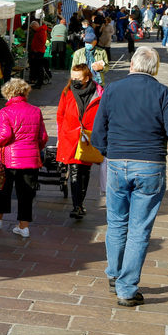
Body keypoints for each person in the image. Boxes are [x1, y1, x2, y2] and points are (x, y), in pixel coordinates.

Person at [92, 47, 168, 307]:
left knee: (116, 222)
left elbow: (98, 133)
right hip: (150, 164)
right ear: (154, 68)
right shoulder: (164, 93)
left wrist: (109, 153)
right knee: (139, 229)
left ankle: (114, 274)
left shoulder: (112, 90)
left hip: (117, 162)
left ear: (132, 64)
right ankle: (126, 288)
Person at [0, 78, 48, 238]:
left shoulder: (6, 112)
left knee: (4, 189)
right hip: (31, 159)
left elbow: (4, 136)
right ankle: (23, 226)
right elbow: (43, 137)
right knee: (26, 193)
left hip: (10, 159)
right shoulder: (36, 110)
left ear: (8, 94)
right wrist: (35, 149)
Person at [56, 64, 103, 220]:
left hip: (88, 137)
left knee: (85, 171)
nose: (74, 81)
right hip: (71, 137)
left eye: (78, 78)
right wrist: (60, 136)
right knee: (75, 170)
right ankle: (77, 206)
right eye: (72, 77)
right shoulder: (67, 92)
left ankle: (80, 203)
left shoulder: (99, 93)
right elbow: (60, 115)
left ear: (87, 78)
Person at [28, 20, 48, 89]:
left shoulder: (40, 31)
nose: (32, 29)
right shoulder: (39, 31)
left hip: (38, 51)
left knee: (38, 67)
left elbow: (43, 42)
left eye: (32, 27)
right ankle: (37, 81)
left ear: (34, 26)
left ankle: (39, 82)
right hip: (38, 51)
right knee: (37, 67)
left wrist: (37, 49)